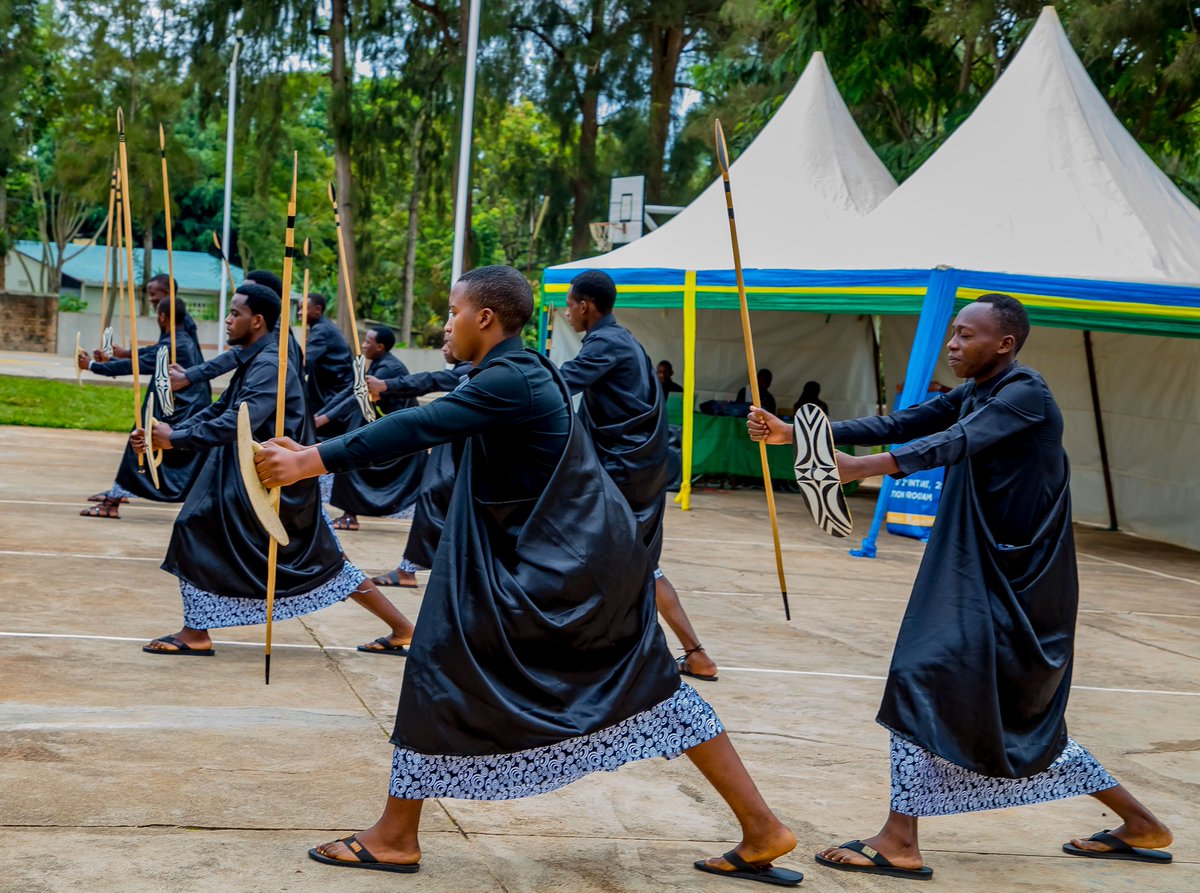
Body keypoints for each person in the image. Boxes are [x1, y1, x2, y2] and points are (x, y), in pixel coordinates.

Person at [254, 265, 801, 886]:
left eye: (452, 312)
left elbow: (420, 426)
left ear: (484, 317)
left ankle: (395, 836)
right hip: (584, 564)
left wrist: (308, 460)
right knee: (652, 687)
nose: (445, 325)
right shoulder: (517, 369)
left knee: (438, 663)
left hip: (565, 573)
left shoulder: (512, 379)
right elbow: (438, 396)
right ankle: (762, 829)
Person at [747, 294, 1173, 878]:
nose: (953, 343)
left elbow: (949, 445)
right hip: (988, 575)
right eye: (952, 332)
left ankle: (899, 840)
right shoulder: (978, 391)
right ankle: (1143, 824)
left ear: (1005, 343)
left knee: (923, 676)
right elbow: (902, 423)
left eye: (967, 334)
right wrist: (798, 432)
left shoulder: (1025, 394)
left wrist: (856, 468)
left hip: (1023, 587)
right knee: (1000, 718)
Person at [133, 283, 414, 658]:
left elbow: (240, 419)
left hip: (278, 481)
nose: (228, 319)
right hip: (258, 477)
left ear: (258, 320)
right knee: (321, 560)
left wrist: (176, 438)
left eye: (235, 313)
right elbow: (223, 406)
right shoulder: (256, 354)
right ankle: (403, 627)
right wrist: (170, 433)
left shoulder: (269, 362)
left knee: (314, 560)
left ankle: (195, 632)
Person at [560, 270, 719, 681]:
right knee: (643, 566)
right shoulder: (625, 340)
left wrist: (497, 383)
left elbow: (560, 383)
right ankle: (696, 655)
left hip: (621, 476)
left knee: (581, 557)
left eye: (569, 303)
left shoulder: (606, 343)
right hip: (639, 473)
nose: (566, 311)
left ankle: (602, 651)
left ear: (585, 306)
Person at [79, 284, 212, 518]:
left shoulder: (175, 342)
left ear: (163, 316)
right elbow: (150, 354)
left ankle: (113, 502)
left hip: (181, 405)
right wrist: (117, 357)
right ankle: (117, 493)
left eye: (154, 297)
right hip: (182, 401)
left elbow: (139, 364)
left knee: (139, 440)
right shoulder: (179, 337)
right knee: (142, 443)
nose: (150, 299)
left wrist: (93, 366)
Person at [367, 340, 473, 589]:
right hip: (451, 452)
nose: (446, 341)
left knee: (432, 497)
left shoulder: (478, 371)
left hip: (459, 458)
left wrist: (386, 386)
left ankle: (409, 571)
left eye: (450, 335)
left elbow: (430, 380)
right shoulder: (469, 370)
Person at [322, 325, 427, 531]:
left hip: (400, 436)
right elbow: (351, 390)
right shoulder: (377, 363)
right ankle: (349, 515)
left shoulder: (389, 368)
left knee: (350, 455)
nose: (363, 345)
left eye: (368, 342)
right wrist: (321, 414)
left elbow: (358, 397)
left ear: (380, 346)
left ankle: (350, 516)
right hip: (385, 425)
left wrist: (324, 418)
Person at [304, 293, 356, 440]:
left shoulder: (321, 330)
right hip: (330, 388)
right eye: (299, 308)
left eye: (304, 308)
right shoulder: (322, 326)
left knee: (322, 432)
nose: (300, 312)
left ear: (317, 310)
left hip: (333, 391)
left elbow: (305, 361)